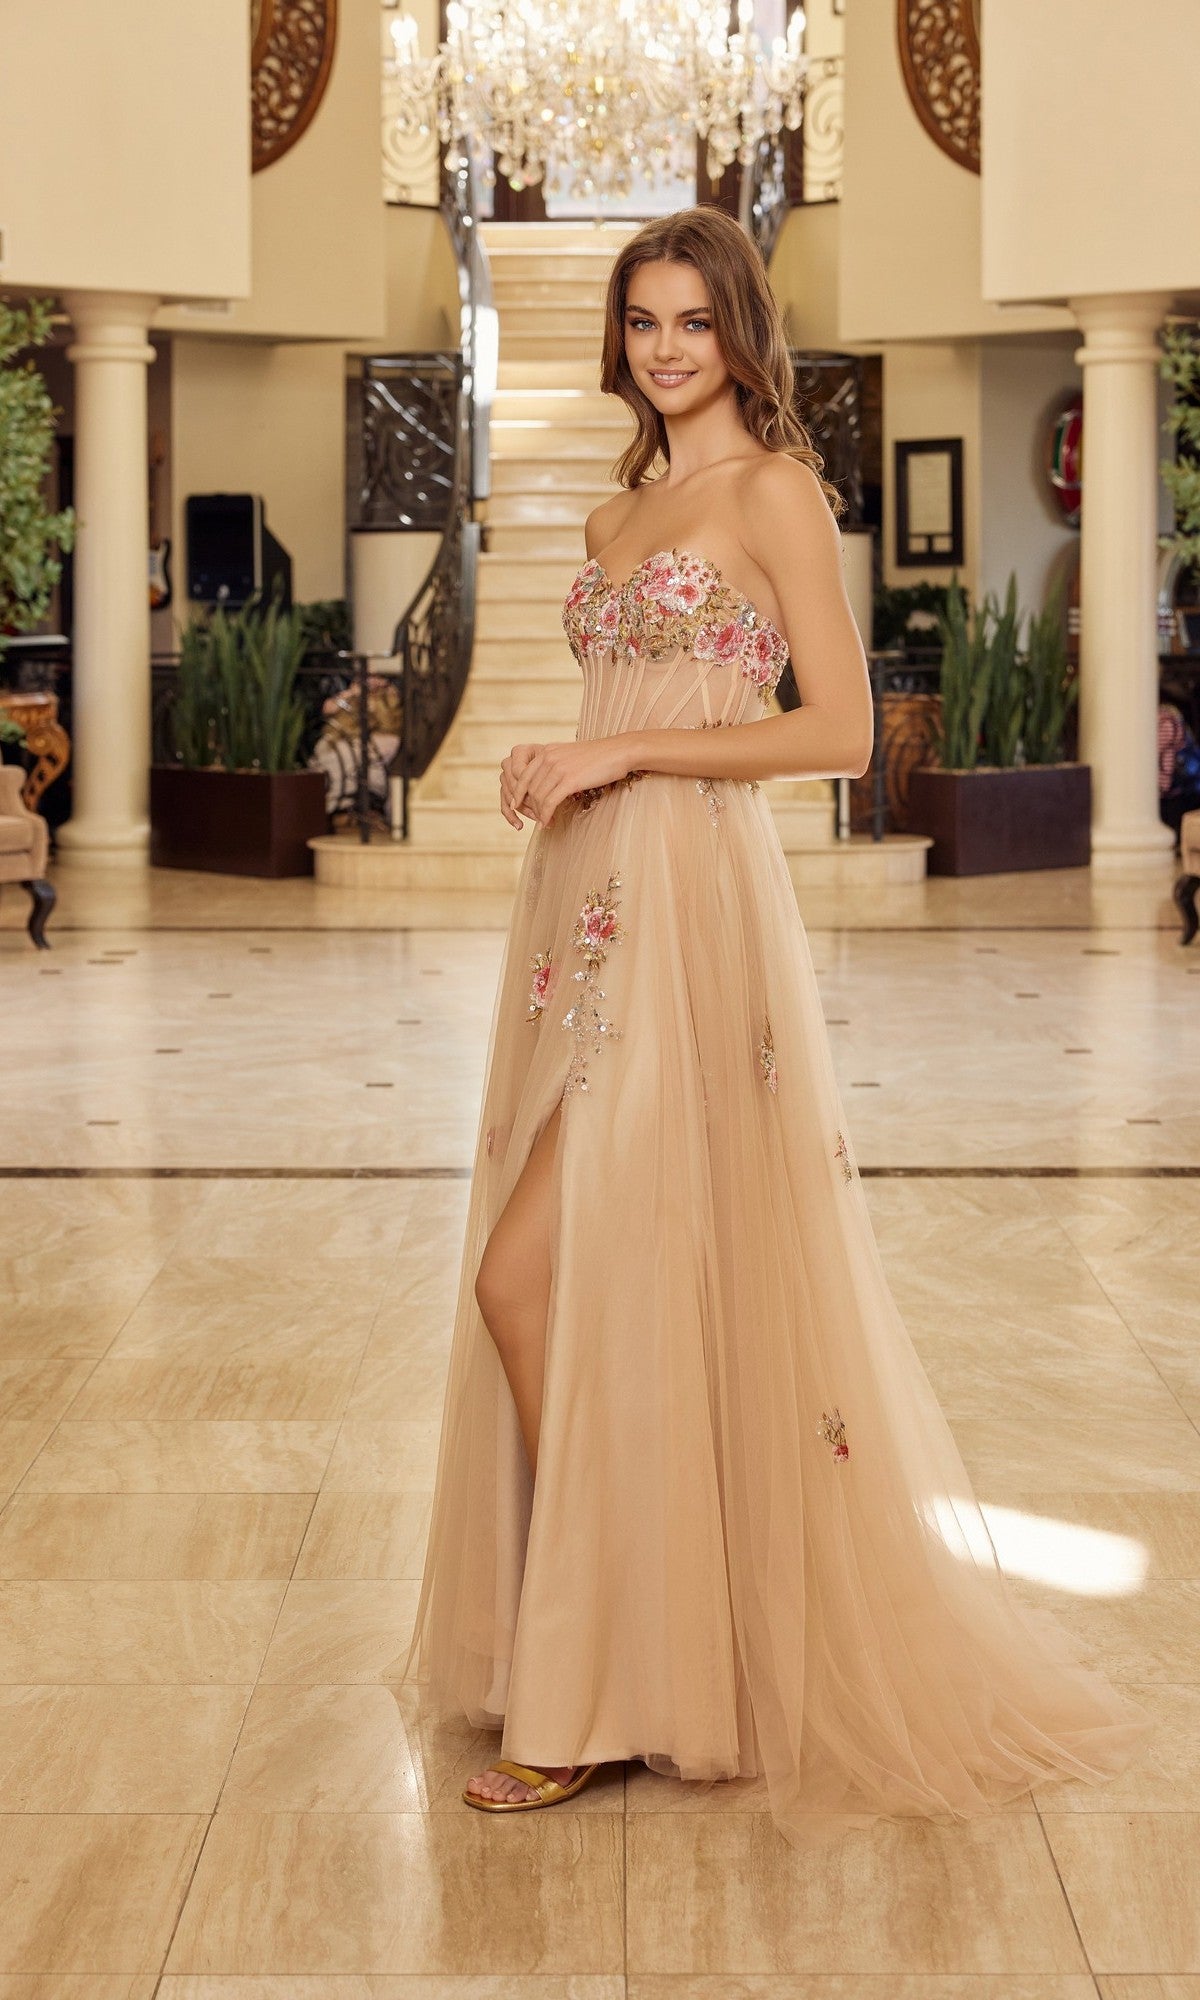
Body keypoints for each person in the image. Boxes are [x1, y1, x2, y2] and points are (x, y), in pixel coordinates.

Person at [395, 206, 1151, 1846]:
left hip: (690, 909)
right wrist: (559, 753)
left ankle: (606, 1669)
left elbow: (829, 729)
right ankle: (635, 1643)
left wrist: (626, 761)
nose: (667, 349)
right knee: (584, 1277)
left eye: (693, 320)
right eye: (644, 322)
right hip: (585, 908)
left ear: (742, 329)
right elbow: (635, 702)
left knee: (534, 1271)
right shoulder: (619, 509)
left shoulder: (771, 492)